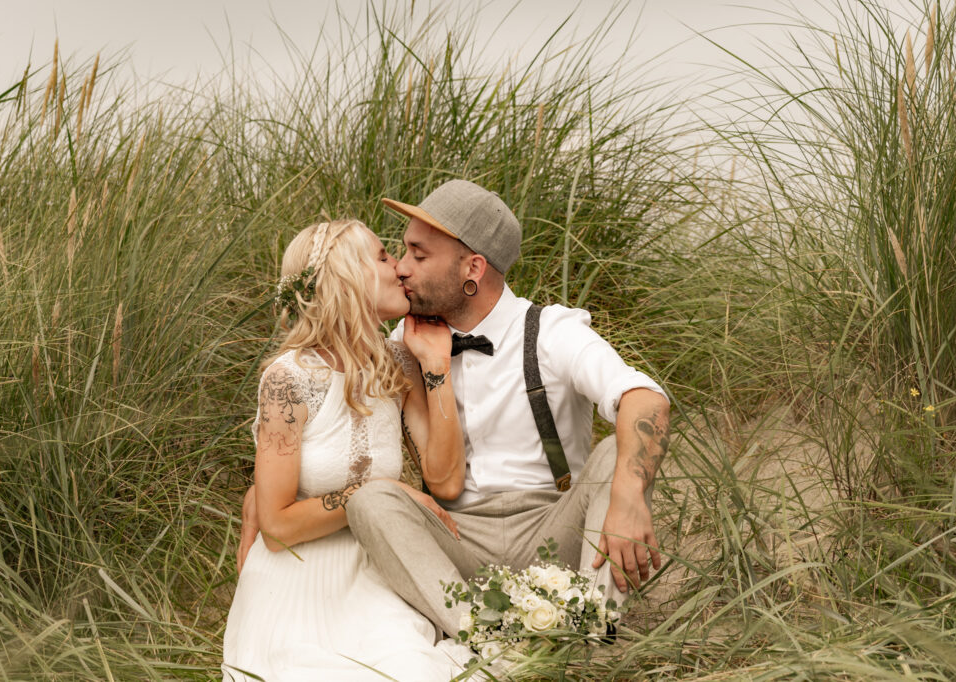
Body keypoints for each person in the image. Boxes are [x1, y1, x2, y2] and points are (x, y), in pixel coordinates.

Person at [342, 179, 672, 638]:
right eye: (403, 253)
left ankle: (591, 634)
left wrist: (629, 497)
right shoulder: (406, 341)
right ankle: (481, 640)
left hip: (553, 529)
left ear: (472, 267)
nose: (400, 268)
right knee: (371, 501)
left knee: (618, 453)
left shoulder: (553, 331)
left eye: (419, 255)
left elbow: (645, 398)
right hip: (455, 539)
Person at [222, 218, 469, 681]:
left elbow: (446, 479)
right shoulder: (287, 379)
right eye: (381, 256)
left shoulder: (396, 364)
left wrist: (436, 367)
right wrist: (375, 493)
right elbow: (275, 525)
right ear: (346, 276)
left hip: (376, 566)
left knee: (412, 669)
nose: (399, 267)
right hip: (298, 579)